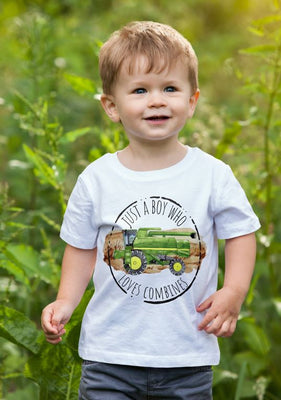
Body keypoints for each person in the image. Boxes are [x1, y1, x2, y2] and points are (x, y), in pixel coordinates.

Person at [41, 21, 260, 399]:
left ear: (192, 101)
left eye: (170, 89)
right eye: (140, 90)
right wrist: (65, 299)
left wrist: (234, 290)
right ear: (111, 106)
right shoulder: (97, 179)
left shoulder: (210, 175)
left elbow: (240, 232)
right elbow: (81, 247)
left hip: (186, 356)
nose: (157, 100)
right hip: (110, 355)